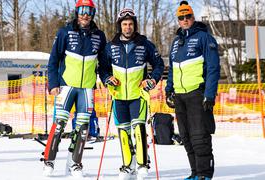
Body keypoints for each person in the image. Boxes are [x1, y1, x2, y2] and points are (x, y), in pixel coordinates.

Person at [98, 8, 164, 180]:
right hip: (119, 96)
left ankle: (142, 164)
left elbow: (159, 65)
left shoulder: (144, 44)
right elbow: (102, 68)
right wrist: (107, 78)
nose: (128, 27)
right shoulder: (110, 46)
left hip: (138, 95)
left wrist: (151, 80)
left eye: (130, 24)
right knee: (123, 132)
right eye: (124, 24)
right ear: (120, 26)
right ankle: (128, 165)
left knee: (139, 128)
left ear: (134, 25)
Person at [43, 0, 106, 177]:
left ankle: (75, 164)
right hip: (66, 86)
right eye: (82, 10)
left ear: (93, 13)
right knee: (59, 125)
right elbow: (53, 59)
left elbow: (103, 63)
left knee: (82, 128)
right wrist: (53, 84)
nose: (85, 14)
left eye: (89, 11)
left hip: (86, 88)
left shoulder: (99, 35)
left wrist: (107, 79)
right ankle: (49, 161)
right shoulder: (65, 32)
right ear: (77, 12)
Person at [165, 1, 220, 180]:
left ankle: (205, 174)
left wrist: (209, 94)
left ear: (193, 17)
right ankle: (195, 172)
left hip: (197, 93)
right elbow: (173, 68)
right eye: (181, 17)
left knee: (200, 137)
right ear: (178, 20)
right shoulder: (175, 42)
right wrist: (169, 90)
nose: (185, 19)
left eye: (188, 16)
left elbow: (213, 68)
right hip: (180, 96)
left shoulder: (204, 37)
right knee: (186, 137)